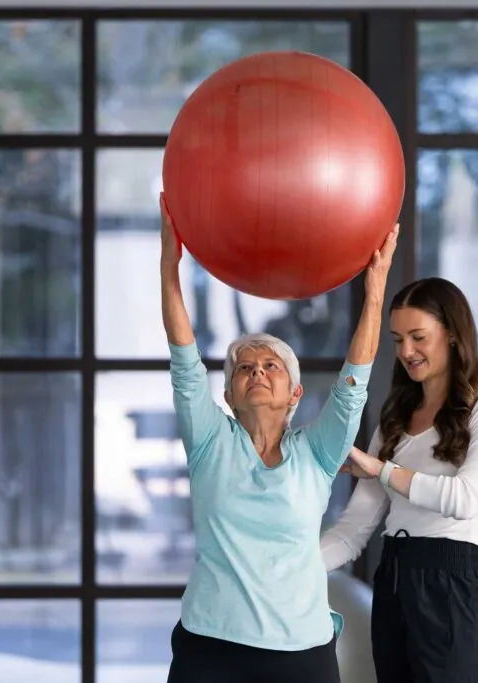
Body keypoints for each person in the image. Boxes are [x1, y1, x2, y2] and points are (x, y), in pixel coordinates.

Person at [159, 192, 398, 683]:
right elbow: (185, 362)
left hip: (300, 648)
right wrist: (169, 269)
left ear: (295, 393)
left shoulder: (317, 451)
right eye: (245, 367)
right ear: (227, 392)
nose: (258, 372)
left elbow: (354, 384)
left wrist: (374, 293)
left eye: (271, 366)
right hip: (210, 644)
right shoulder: (210, 443)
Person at [320, 277, 478, 683]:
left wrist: (380, 470)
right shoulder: (394, 419)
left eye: (418, 336)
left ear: (453, 334)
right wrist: (284, 569)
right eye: (397, 339)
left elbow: (467, 499)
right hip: (393, 581)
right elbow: (354, 530)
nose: (406, 351)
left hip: (453, 586)